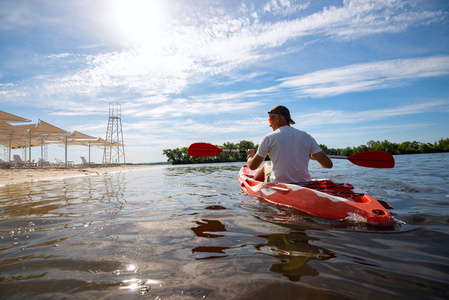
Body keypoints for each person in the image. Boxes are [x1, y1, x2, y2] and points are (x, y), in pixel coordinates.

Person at [246, 105, 333, 183]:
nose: (270, 124)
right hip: (304, 184)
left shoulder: (268, 138)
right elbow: (328, 164)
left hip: (279, 184)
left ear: (277, 117)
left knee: (266, 165)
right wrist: (311, 156)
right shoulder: (306, 136)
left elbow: (253, 166)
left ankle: (254, 185)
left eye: (270, 120)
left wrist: (250, 156)